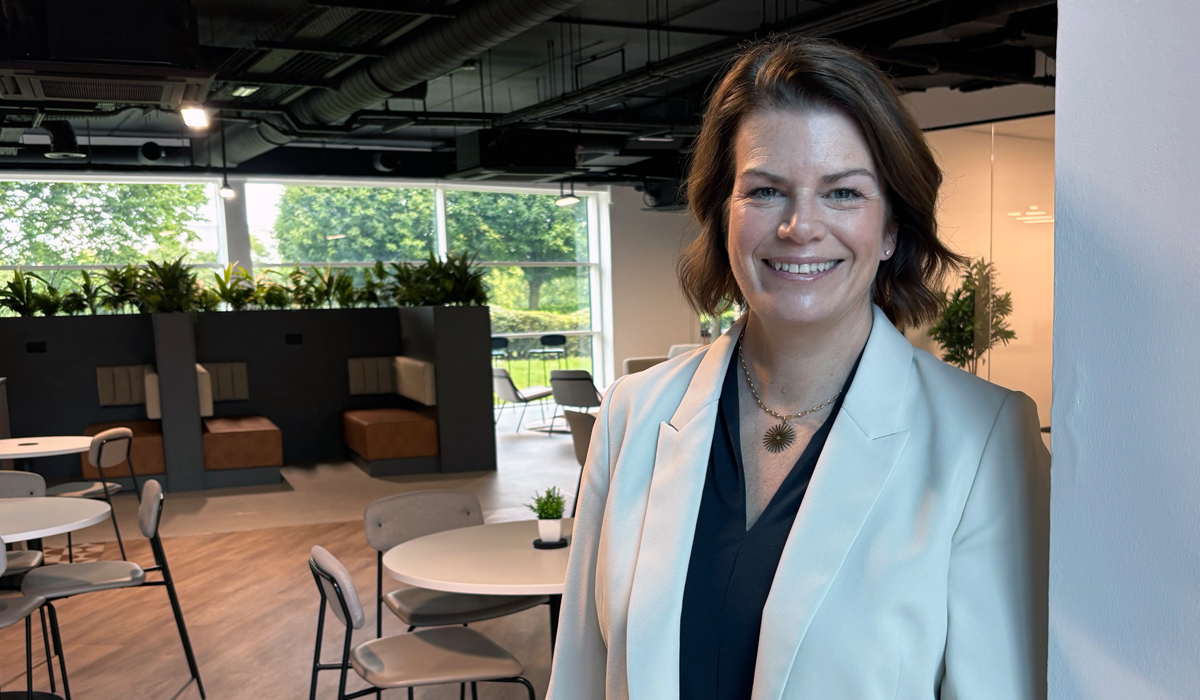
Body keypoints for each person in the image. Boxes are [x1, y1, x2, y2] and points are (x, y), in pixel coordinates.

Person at [546, 36, 1049, 700]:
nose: (800, 227)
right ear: (722, 213)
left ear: (892, 227)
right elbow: (580, 678)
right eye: (765, 191)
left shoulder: (982, 440)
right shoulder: (632, 414)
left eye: (842, 193)